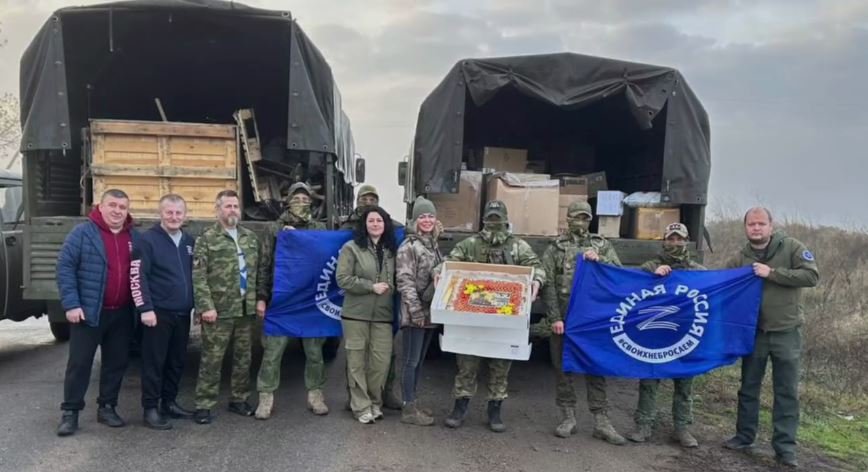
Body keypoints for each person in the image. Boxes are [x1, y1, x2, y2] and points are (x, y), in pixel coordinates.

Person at [723, 208, 819, 468]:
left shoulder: (792, 247)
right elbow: (722, 283)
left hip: (786, 331)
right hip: (754, 333)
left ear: (770, 226)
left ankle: (785, 449)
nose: (756, 228)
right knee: (748, 387)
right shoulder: (741, 256)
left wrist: (772, 273)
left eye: (761, 224)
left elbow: (811, 276)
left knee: (786, 391)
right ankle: (744, 437)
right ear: (745, 227)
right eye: (751, 224)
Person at [443, 200, 544, 433]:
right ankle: (460, 407)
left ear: (506, 220)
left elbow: (536, 266)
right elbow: (449, 262)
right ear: (484, 220)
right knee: (467, 363)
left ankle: (495, 409)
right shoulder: (470, 244)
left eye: (497, 219)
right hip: (472, 316)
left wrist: (537, 280)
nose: (493, 223)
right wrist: (440, 272)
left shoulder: (518, 246)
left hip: (505, 317)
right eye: (490, 219)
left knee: (500, 365)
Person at [55, 189, 141, 436]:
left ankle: (107, 407)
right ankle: (70, 412)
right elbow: (65, 268)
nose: (117, 211)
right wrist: (72, 304)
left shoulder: (134, 237)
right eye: (112, 205)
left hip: (122, 313)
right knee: (80, 364)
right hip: (89, 312)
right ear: (100, 207)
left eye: (122, 207)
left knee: (116, 363)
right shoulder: (82, 234)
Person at [540, 200, 626, 445]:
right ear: (568, 219)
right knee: (563, 368)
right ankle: (568, 417)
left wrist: (600, 259)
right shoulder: (556, 248)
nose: (581, 222)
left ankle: (602, 421)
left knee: (595, 368)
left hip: (592, 320)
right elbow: (548, 284)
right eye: (576, 217)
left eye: (585, 218)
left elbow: (618, 273)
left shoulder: (601, 245)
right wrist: (554, 317)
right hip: (565, 318)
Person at [625, 223, 705, 448]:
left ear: (687, 241)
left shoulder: (698, 271)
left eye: (679, 239)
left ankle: (682, 428)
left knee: (684, 383)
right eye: (671, 239)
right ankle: (643, 425)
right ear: (664, 241)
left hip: (685, 334)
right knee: (649, 380)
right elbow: (632, 292)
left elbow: (709, 298)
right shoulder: (650, 266)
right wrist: (652, 277)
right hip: (656, 334)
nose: (675, 243)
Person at [255, 182, 329, 420]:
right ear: (287, 202)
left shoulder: (319, 228)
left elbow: (326, 258)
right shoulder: (274, 229)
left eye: (305, 199)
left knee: (314, 352)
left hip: (308, 300)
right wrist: (262, 298)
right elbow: (264, 265)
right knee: (273, 351)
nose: (301, 203)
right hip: (282, 299)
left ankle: (315, 394)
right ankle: (266, 396)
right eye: (296, 199)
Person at [192, 189, 265, 424]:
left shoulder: (250, 238)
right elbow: (199, 276)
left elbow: (260, 272)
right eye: (227, 206)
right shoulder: (206, 239)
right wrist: (206, 307)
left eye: (235, 206)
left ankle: (239, 399)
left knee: (244, 358)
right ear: (217, 209)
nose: (232, 210)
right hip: (219, 310)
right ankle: (204, 404)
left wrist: (260, 298)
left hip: (245, 308)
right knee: (212, 359)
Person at [130, 194, 196, 430]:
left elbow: (195, 276)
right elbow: (137, 277)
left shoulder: (189, 241)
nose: (174, 217)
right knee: (154, 363)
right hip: (157, 314)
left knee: (176, 361)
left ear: (185, 215)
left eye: (178, 213)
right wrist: (145, 308)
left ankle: (169, 402)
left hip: (182, 313)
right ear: (160, 213)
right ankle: (150, 408)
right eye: (169, 212)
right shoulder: (147, 240)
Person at [340, 184, 403, 411]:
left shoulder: (391, 250)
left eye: (379, 221)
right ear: (364, 225)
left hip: (383, 316)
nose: (375, 224)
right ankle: (361, 406)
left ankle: (375, 402)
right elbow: (342, 279)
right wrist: (370, 287)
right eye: (371, 221)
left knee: (381, 363)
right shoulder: (351, 247)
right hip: (355, 315)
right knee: (356, 363)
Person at [395, 196, 441, 426]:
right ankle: (408, 408)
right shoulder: (409, 246)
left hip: (429, 313)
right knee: (410, 362)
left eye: (430, 216)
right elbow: (405, 282)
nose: (427, 220)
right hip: (415, 314)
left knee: (420, 361)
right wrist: (415, 313)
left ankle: (413, 401)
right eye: (422, 216)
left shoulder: (432, 244)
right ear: (415, 220)